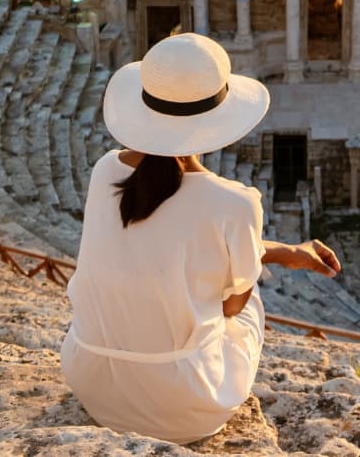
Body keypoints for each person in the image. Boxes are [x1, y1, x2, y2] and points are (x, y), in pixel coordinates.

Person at [62, 33, 341, 444]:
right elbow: (230, 307)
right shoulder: (236, 203)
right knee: (247, 297)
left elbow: (164, 244)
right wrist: (261, 257)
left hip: (93, 382)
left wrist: (283, 253)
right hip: (183, 406)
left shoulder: (105, 171)